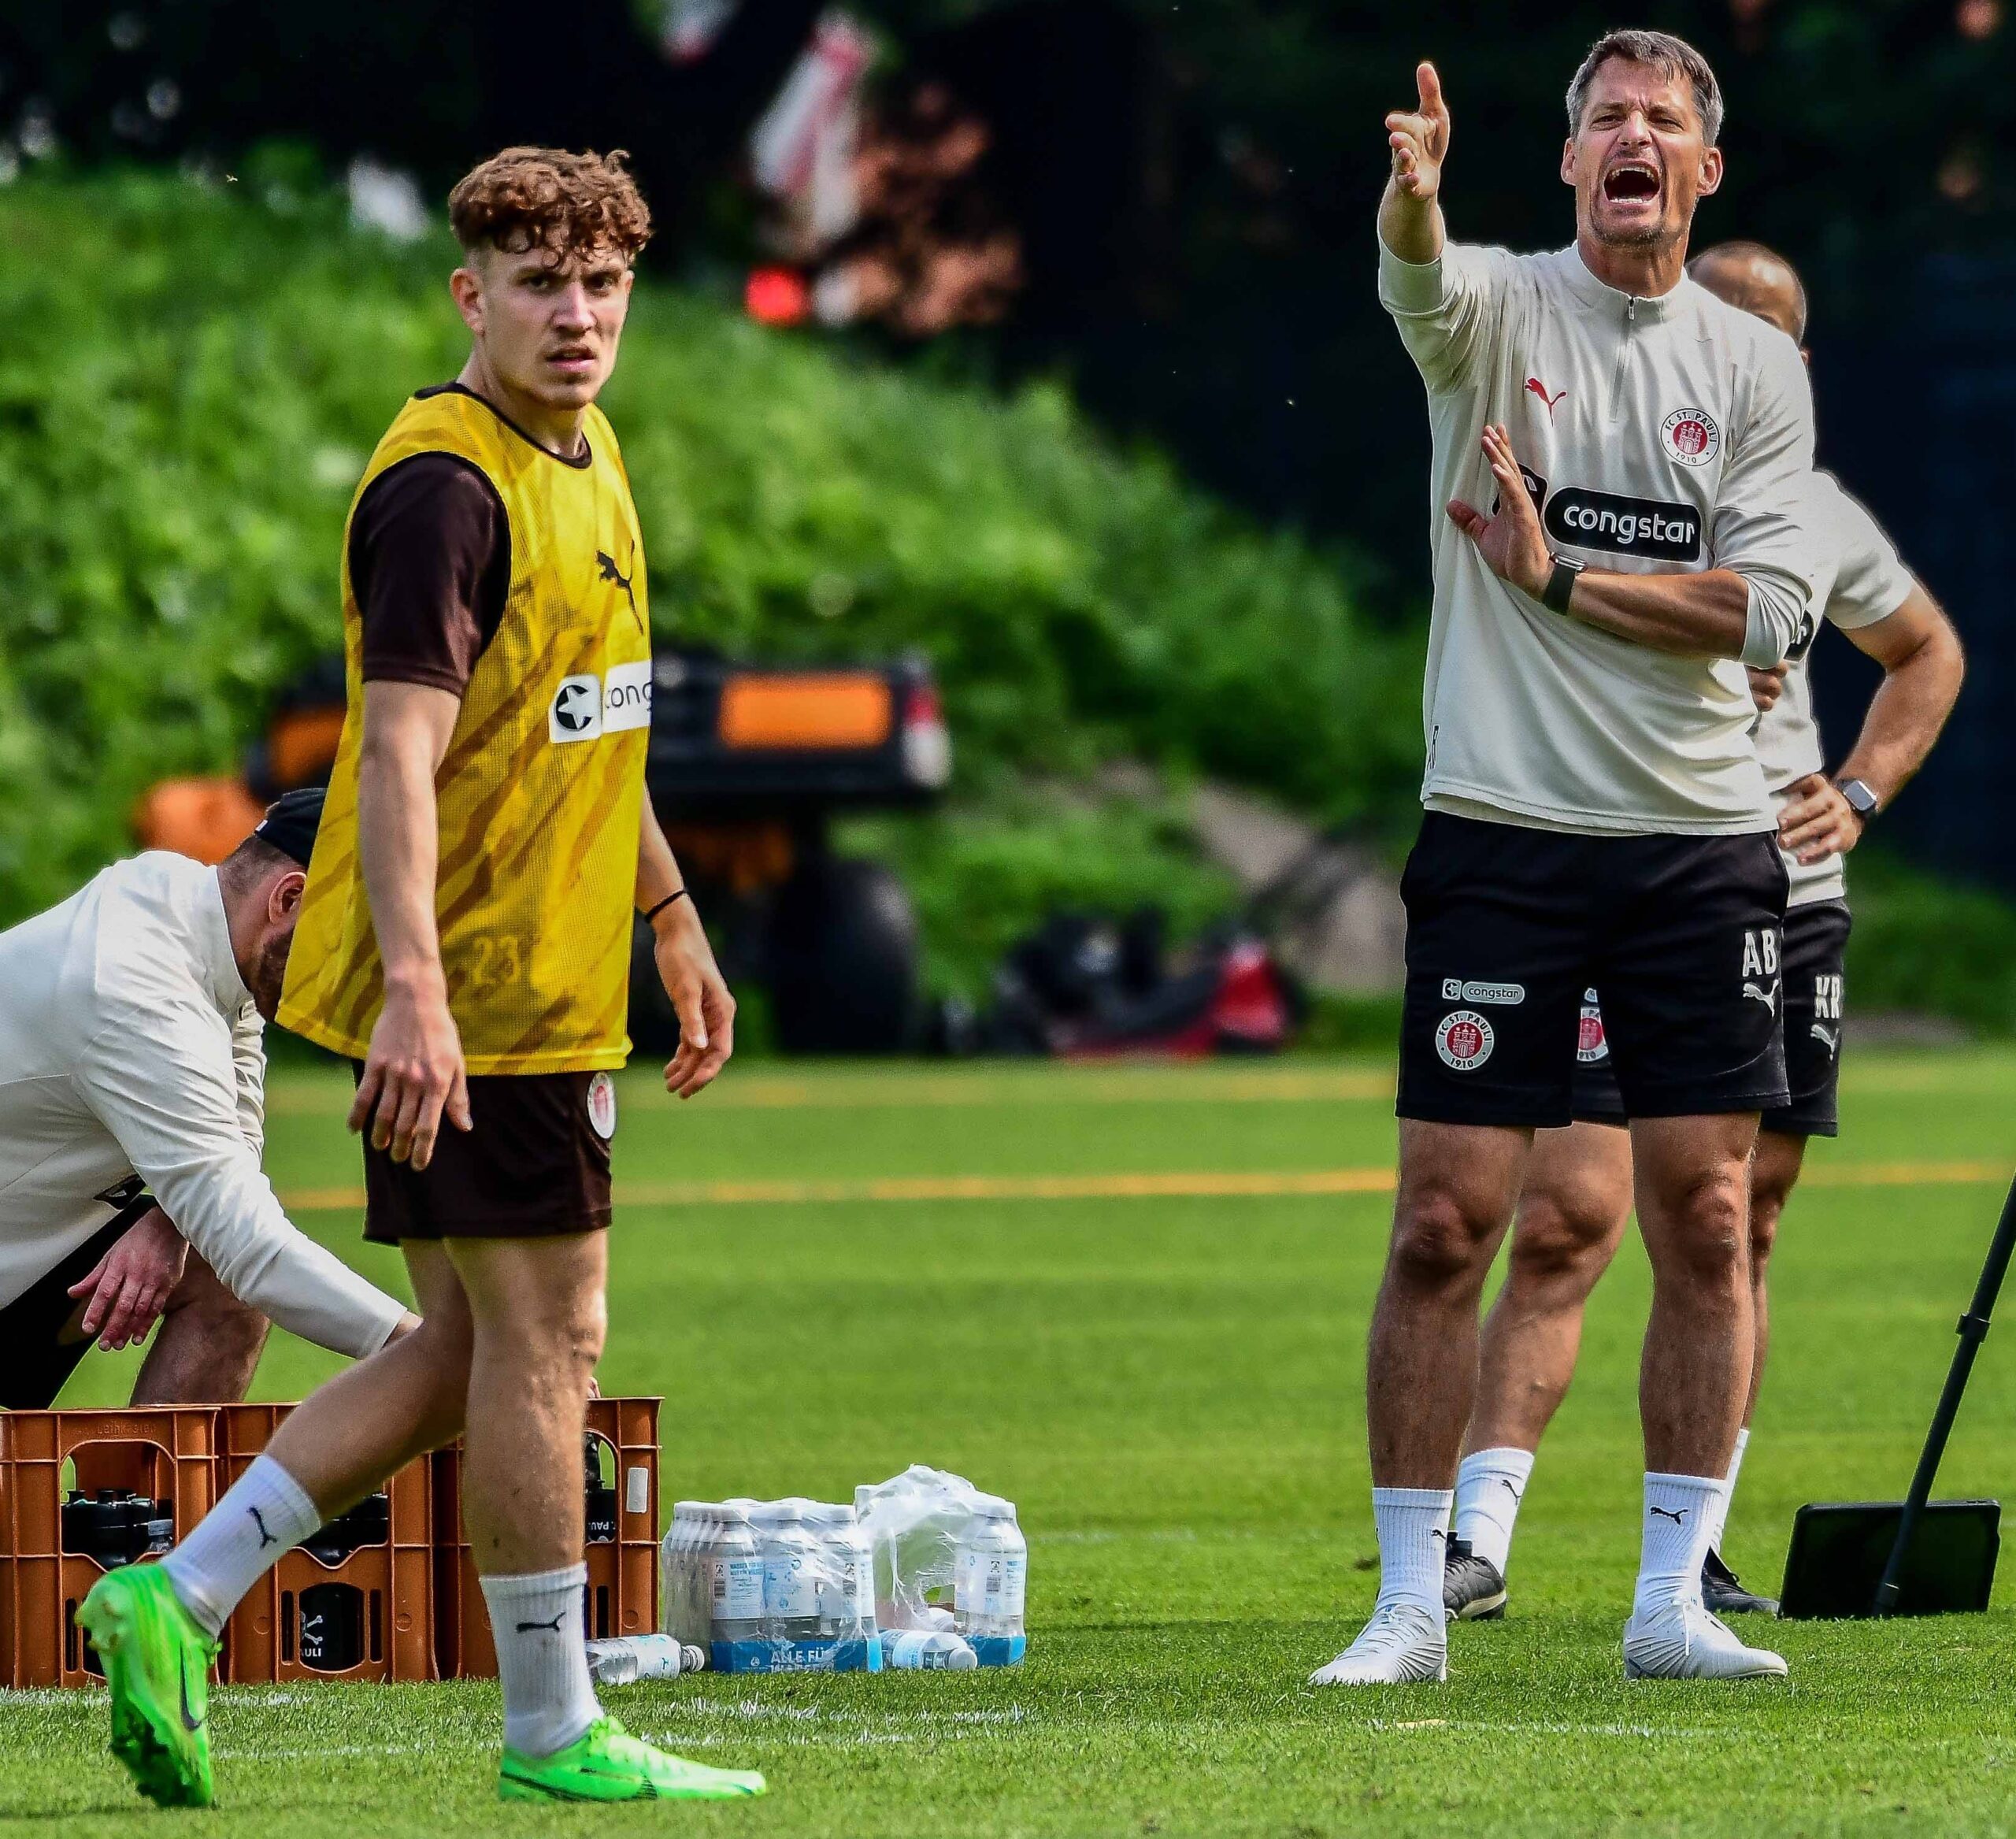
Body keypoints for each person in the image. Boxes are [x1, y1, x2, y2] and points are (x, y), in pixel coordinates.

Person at [80, 147, 763, 1809]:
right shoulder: (445, 490)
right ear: (471, 294)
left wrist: (670, 912)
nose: (578, 316)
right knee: (553, 1340)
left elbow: (590, 726)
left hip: (537, 987)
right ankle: (551, 1728)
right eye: (541, 285)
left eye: (601, 285)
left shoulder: (589, 457)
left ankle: (171, 1599)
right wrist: (415, 991)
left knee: (461, 1349)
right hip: (477, 1002)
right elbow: (392, 758)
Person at [1316, 32, 1825, 1689]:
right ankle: (1407, 1607)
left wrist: (1557, 585)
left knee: (1701, 1216)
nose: (1630, 138)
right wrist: (1411, 199)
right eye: (1604, 116)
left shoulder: (1750, 366)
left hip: (1697, 846)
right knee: (1446, 1225)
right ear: (1563, 161)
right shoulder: (1497, 307)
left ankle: (1667, 1604)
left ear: (1702, 170)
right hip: (1501, 835)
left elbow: (1758, 612)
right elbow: (1417, 285)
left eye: (1660, 122)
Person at [1442, 241, 1966, 1626]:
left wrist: (1857, 791)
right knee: (1567, 1215)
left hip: (1780, 906)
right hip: (1637, 873)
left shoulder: (1817, 511)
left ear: (1793, 362)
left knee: (1740, 1223)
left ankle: (1694, 1547)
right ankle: (1475, 1531)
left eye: (1762, 333)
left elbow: (1931, 653)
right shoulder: (1606, 454)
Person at [0, 789, 413, 1410]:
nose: (352, 983)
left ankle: (154, 1507)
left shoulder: (187, 908)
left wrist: (174, 1219)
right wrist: (425, 1351)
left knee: (226, 1282)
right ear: (290, 897)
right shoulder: (142, 998)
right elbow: (252, 1246)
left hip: (24, 1247)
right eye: (354, 948)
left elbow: (237, 1131)